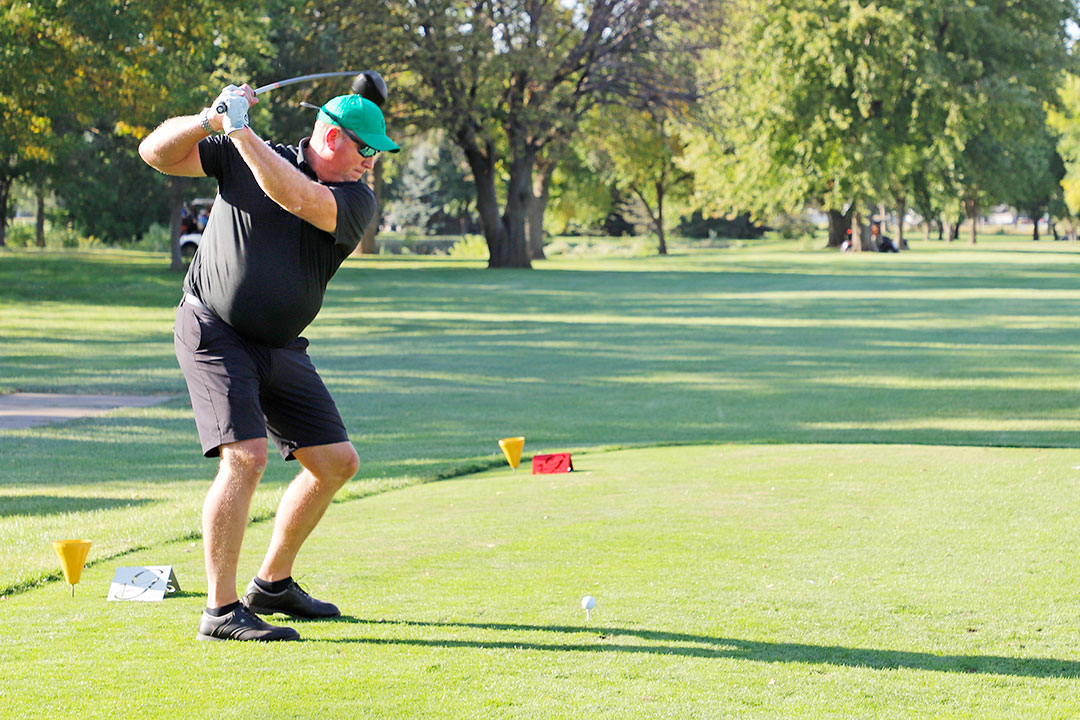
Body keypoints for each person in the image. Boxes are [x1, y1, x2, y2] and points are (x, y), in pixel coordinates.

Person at [138, 83, 400, 642]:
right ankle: (220, 610)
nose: (369, 164)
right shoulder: (242, 149)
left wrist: (239, 129)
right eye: (366, 150)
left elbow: (297, 198)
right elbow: (155, 153)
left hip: (279, 344)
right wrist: (208, 118)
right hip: (214, 328)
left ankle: (272, 584)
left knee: (336, 462)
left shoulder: (356, 200)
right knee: (246, 457)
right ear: (332, 136)